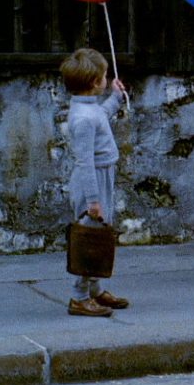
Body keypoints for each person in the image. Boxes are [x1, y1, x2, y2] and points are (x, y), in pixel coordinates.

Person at [60, 48, 130, 317]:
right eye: (104, 76)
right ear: (93, 83)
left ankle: (95, 290)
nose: (106, 78)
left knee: (100, 236)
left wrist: (115, 97)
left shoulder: (87, 108)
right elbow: (84, 162)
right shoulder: (82, 119)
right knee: (89, 238)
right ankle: (79, 296)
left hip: (103, 175)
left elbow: (103, 115)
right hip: (93, 180)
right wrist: (92, 201)